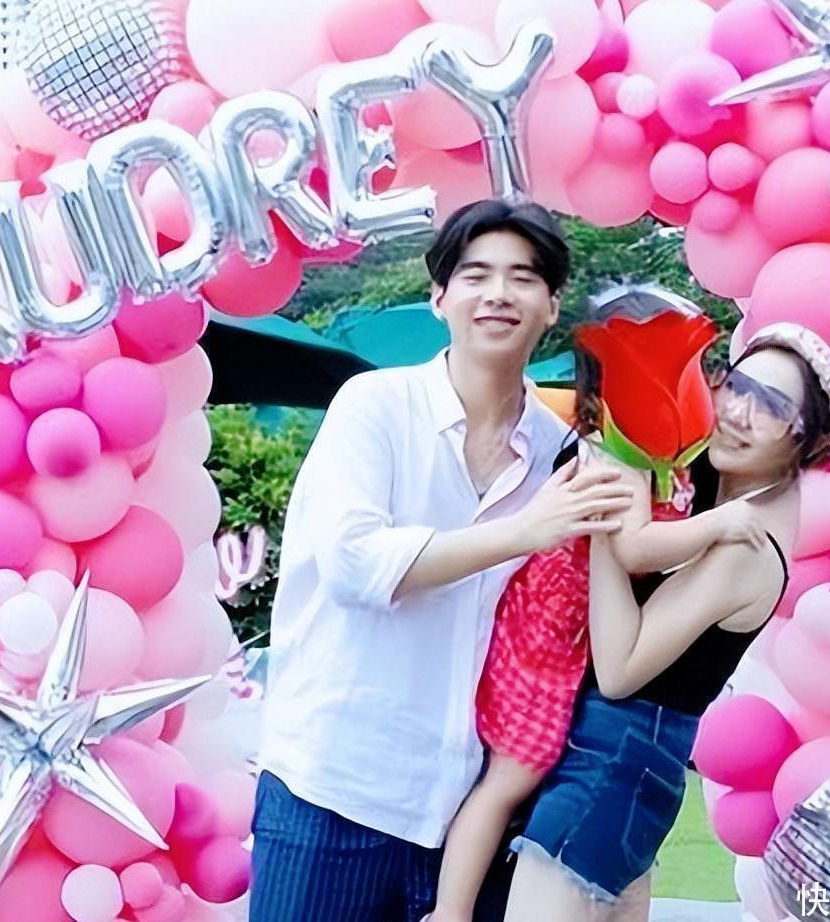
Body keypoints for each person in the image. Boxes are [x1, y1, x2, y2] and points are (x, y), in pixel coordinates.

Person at [249, 199, 636, 922]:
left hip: (470, 813)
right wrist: (527, 530)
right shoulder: (374, 405)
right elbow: (355, 564)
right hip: (334, 790)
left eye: (523, 278)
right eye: (475, 275)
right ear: (439, 298)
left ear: (552, 306)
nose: (498, 293)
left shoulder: (566, 456)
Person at [501, 320, 830, 922]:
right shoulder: (710, 492)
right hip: (620, 773)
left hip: (609, 768)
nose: (739, 412)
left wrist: (608, 525)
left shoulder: (745, 544)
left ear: (805, 441)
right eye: (736, 386)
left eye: (771, 407)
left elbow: (620, 670)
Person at [427, 286, 729, 922]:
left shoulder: (656, 455)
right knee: (514, 773)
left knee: (529, 779)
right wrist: (722, 527)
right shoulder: (611, 456)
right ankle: (449, 913)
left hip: (571, 639)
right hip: (544, 639)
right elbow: (635, 549)